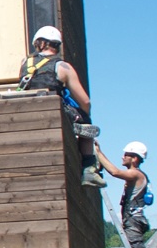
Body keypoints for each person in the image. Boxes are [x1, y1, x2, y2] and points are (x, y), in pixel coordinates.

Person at [18, 26, 102, 187]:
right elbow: (85, 102)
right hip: (54, 112)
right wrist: (83, 115)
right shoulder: (63, 67)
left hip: (27, 110)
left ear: (39, 43)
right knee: (87, 124)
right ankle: (89, 169)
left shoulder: (24, 63)